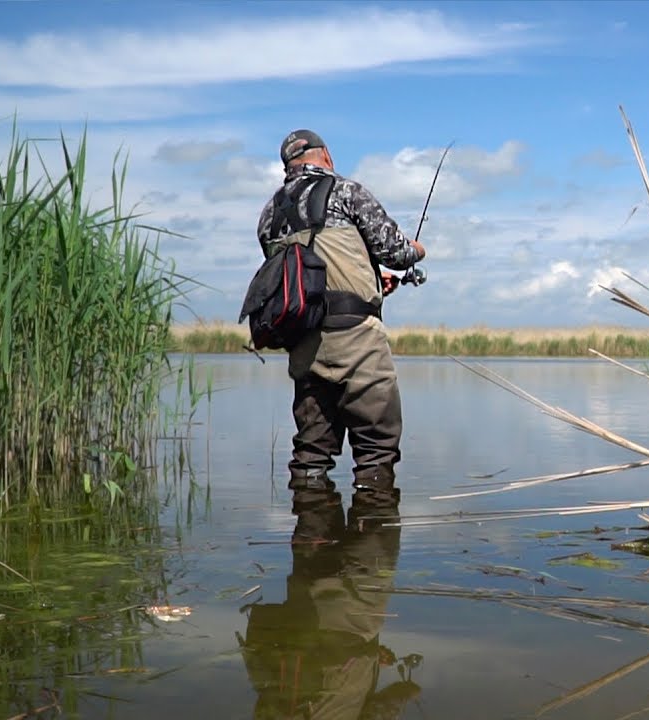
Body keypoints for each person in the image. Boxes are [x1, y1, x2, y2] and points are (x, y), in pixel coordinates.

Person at [256, 129, 425, 518]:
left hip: (304, 345)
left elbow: (304, 271)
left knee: (312, 450)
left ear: (289, 167)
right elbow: (395, 252)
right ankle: (370, 552)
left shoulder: (269, 213)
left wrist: (367, 278)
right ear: (326, 156)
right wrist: (417, 249)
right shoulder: (346, 192)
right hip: (356, 339)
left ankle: (314, 550)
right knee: (376, 447)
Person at [240, 499, 422, 719]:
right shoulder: (270, 710)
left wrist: (405, 693)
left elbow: (379, 710)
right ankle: (310, 471)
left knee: (377, 506)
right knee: (315, 503)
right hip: (306, 602)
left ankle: (371, 471)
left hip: (354, 621)